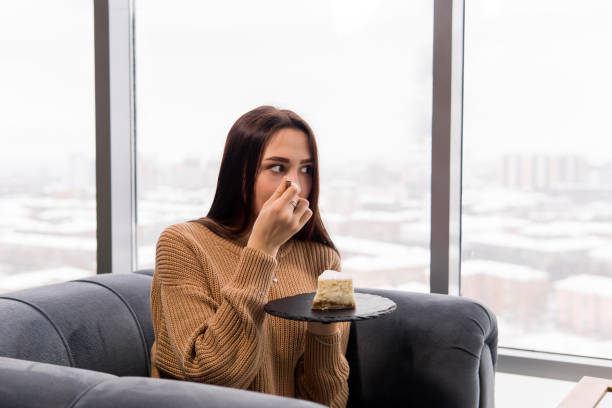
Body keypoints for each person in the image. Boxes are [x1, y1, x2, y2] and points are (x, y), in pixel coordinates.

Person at [149, 106, 351, 408]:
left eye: (306, 169)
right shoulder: (181, 244)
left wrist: (323, 331)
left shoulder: (326, 261)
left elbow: (330, 401)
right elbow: (212, 378)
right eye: (277, 168)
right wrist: (261, 250)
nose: (295, 185)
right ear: (240, 173)